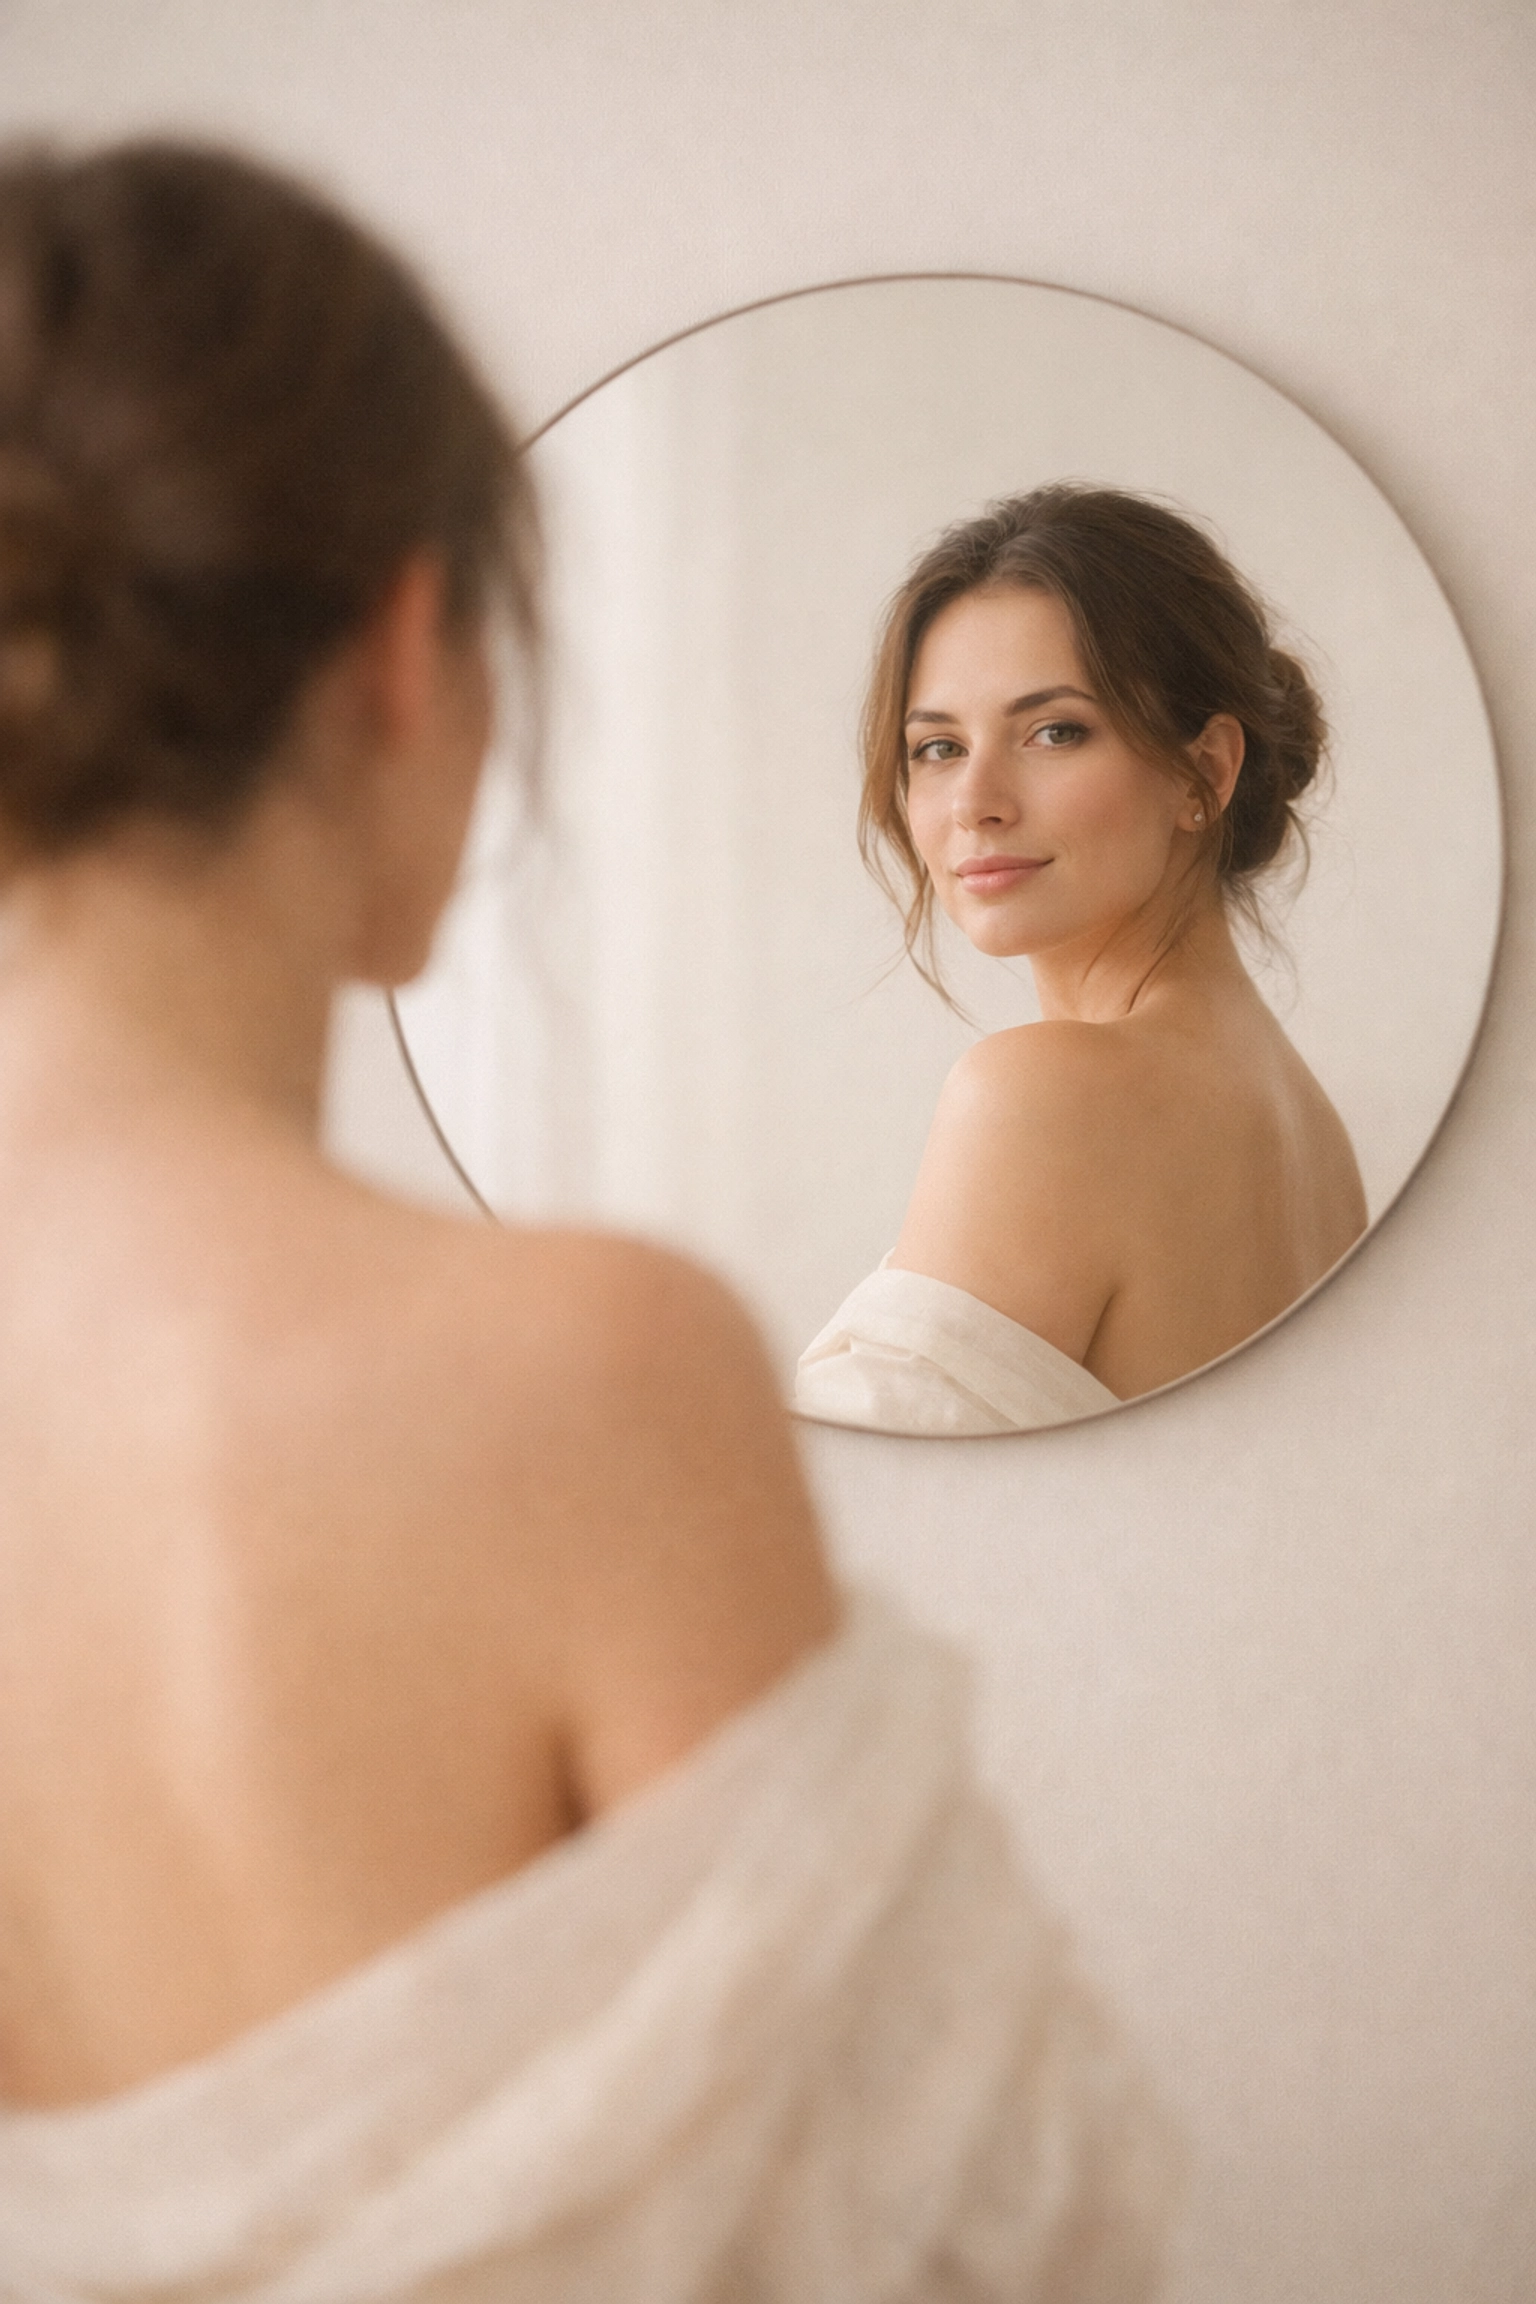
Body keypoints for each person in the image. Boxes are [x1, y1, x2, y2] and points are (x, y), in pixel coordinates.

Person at [0, 144, 1170, 2299]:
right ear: (407, 643)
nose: (969, 809)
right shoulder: (571, 1368)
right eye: (931, 749)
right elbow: (936, 2250)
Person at [796, 486, 1369, 1438]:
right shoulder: (1310, 1131)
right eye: (937, 746)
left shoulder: (1047, 1093)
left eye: (1054, 731)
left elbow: (876, 1512)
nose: (975, 800)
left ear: (1205, 772)